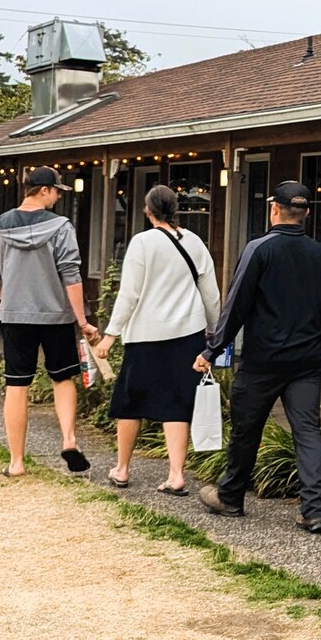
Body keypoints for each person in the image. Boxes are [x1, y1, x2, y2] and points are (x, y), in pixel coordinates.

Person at [195, 181, 321, 534]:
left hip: (262, 360)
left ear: (274, 209)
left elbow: (236, 307)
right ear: (305, 213)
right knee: (308, 432)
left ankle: (230, 498)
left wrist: (211, 349)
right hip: (306, 361)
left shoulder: (258, 250)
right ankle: (315, 511)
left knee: (246, 431)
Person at [96, 184, 220, 495]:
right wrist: (215, 336)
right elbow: (212, 296)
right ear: (175, 209)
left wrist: (111, 335)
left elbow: (129, 294)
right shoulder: (195, 243)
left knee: (130, 402)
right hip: (188, 333)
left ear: (147, 211)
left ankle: (122, 469)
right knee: (177, 402)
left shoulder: (142, 243)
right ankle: (176, 475)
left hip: (146, 336)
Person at [0, 166, 97, 478]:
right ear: (44, 190)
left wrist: (2, 305)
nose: (58, 196)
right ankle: (69, 439)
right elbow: (71, 276)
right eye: (57, 191)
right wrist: (82, 321)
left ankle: (17, 462)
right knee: (63, 379)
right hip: (56, 316)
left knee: (16, 385)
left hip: (15, 315)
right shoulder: (61, 227)